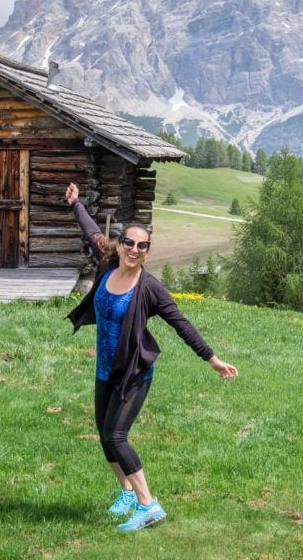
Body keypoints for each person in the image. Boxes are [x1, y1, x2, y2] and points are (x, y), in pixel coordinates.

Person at [64, 182, 239, 532]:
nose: (134, 249)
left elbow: (181, 324)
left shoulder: (150, 288)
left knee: (116, 436)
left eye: (142, 246)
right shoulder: (107, 263)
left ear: (147, 251)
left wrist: (212, 359)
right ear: (121, 244)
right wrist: (76, 204)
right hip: (105, 369)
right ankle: (127, 493)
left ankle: (149, 504)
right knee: (103, 434)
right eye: (129, 242)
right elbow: (92, 232)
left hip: (134, 372)